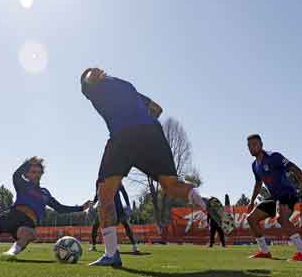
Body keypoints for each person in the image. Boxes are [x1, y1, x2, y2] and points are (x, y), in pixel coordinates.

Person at [80, 68, 231, 267]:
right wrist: (144, 125)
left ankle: (111, 254)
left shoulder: (95, 88)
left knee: (105, 192)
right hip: (152, 133)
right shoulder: (128, 88)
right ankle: (205, 203)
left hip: (122, 137)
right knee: (172, 186)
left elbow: (88, 81)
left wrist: (91, 76)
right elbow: (157, 109)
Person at [0, 157, 92, 260]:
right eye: (33, 172)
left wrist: (80, 208)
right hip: (11, 216)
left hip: (27, 222)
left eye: (39, 172)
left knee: (28, 234)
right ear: (27, 174)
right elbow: (15, 175)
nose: (36, 175)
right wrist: (28, 162)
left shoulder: (45, 193)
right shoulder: (22, 184)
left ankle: (11, 253)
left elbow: (60, 208)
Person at [245, 134, 302, 261]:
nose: (252, 148)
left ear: (261, 145)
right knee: (251, 218)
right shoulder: (254, 165)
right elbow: (258, 183)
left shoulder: (274, 157)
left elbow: (296, 170)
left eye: (254, 144)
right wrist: (251, 201)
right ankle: (264, 251)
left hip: (287, 194)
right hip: (274, 197)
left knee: (281, 218)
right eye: (249, 146)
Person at [90, 179, 138, 254]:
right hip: (105, 205)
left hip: (115, 205)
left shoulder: (115, 179)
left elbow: (123, 192)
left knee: (125, 224)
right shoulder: (99, 181)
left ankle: (134, 246)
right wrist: (93, 203)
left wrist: (128, 204)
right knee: (96, 225)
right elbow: (97, 194)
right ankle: (94, 246)